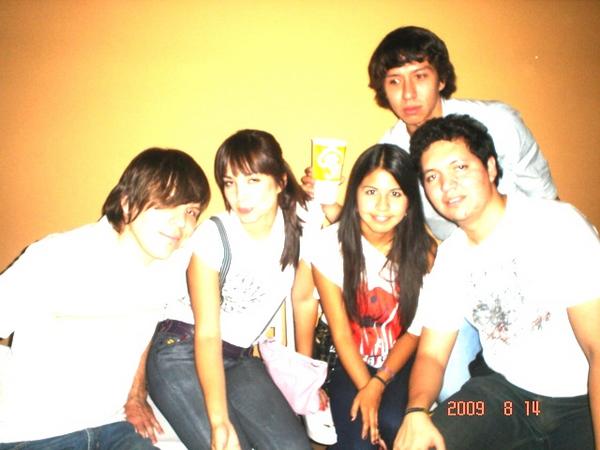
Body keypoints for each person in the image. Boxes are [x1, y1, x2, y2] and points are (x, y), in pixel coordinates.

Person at [393, 114, 599, 450]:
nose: (447, 185)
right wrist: (416, 410)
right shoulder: (451, 256)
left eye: (460, 168)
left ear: (490, 168)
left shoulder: (557, 224)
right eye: (432, 176)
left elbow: (597, 348)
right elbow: (431, 355)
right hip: (505, 400)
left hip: (581, 402)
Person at [0, 148, 211, 450]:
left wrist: (136, 394)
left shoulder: (172, 261)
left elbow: (147, 323)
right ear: (127, 203)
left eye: (190, 211)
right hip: (36, 434)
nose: (181, 223)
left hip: (112, 430)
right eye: (167, 204)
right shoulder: (56, 256)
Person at [143, 129, 319, 450]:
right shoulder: (213, 236)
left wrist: (304, 375)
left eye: (253, 180)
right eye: (229, 182)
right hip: (180, 350)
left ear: (280, 181)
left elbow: (306, 297)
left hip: (238, 358)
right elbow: (208, 334)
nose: (240, 196)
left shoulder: (302, 220)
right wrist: (219, 420)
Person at [310, 144, 436, 449]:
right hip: (349, 361)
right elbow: (341, 333)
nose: (382, 205)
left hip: (402, 360)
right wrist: (366, 387)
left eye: (395, 193)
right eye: (371, 192)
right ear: (354, 193)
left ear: (410, 201)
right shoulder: (329, 246)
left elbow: (415, 331)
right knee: (360, 437)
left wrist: (378, 385)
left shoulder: (425, 252)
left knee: (393, 423)